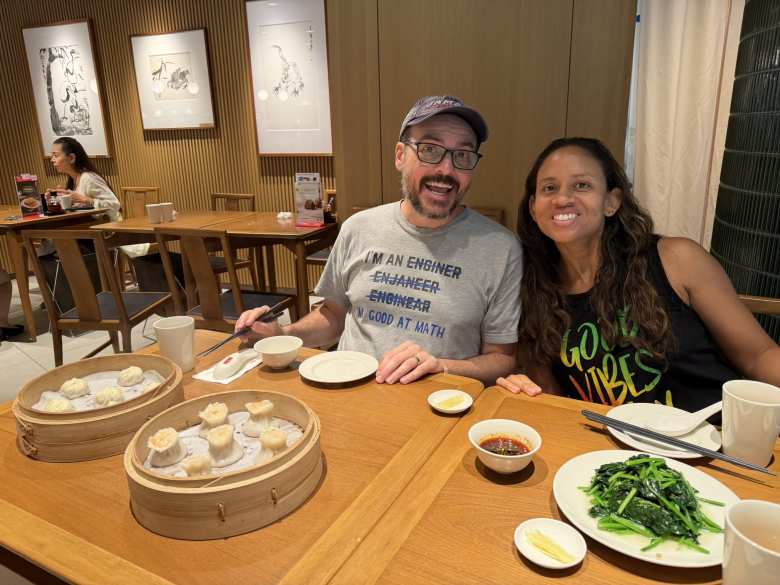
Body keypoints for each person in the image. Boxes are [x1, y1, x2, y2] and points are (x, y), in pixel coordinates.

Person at [236, 95, 522, 385]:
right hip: (348, 390)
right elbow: (333, 315)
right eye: (429, 149)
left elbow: (501, 358)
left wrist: (441, 367)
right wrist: (283, 335)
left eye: (462, 155)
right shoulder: (358, 228)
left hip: (438, 405)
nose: (446, 170)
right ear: (400, 155)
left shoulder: (500, 248)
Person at [498, 137, 780, 411]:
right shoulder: (533, 286)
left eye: (582, 185)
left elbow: (759, 356)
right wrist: (523, 387)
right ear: (534, 208)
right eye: (549, 188)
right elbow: (553, 398)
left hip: (711, 441)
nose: (562, 199)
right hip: (611, 450)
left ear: (612, 201)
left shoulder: (676, 259)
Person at [46, 137, 121, 220]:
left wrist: (87, 200)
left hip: (109, 228)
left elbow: (115, 204)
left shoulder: (89, 178)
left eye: (55, 155)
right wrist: (55, 201)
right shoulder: (73, 180)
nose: (52, 160)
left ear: (71, 158)